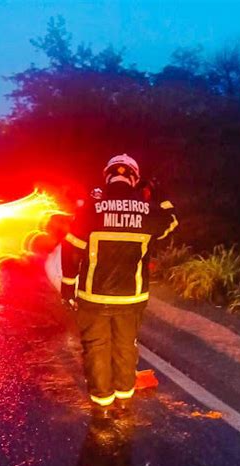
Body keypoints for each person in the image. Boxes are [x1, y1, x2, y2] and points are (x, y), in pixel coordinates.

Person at [61, 154, 178, 411]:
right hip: (131, 298)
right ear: (134, 179)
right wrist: (159, 193)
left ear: (107, 176)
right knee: (126, 346)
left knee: (96, 348)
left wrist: (68, 285)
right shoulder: (148, 211)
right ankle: (124, 401)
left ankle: (102, 405)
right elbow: (172, 221)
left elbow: (70, 249)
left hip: (93, 297)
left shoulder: (91, 209)